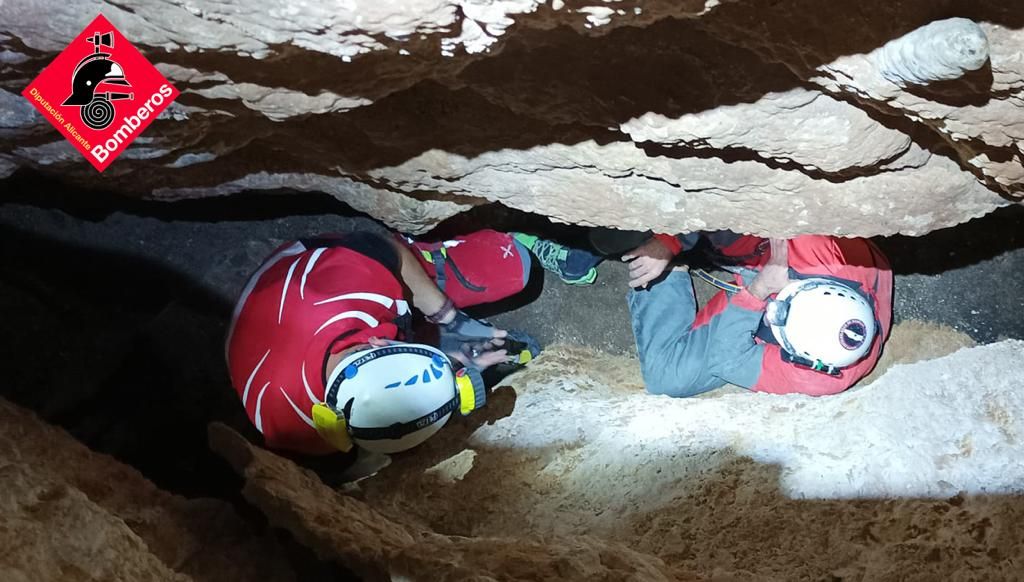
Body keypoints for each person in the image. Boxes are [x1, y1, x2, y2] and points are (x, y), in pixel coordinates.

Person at [226, 228, 599, 456]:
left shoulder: (356, 293)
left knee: (513, 268)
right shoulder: (297, 428)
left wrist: (450, 319)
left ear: (378, 342)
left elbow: (382, 249)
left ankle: (490, 237)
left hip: (322, 264)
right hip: (270, 328)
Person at [609, 230, 893, 396]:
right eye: (780, 308)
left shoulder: (821, 374)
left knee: (667, 377)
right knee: (724, 233)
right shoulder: (819, 249)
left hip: (764, 283)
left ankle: (666, 278)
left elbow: (727, 360)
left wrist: (758, 292)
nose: (769, 314)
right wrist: (669, 241)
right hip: (781, 256)